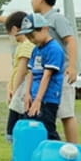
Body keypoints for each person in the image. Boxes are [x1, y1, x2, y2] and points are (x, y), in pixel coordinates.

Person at [29, 0, 80, 144]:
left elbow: (71, 40)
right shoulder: (38, 20)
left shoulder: (56, 18)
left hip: (61, 74)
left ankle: (74, 149)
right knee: (47, 114)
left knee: (66, 113)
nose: (31, 1)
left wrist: (72, 67)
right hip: (45, 76)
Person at [20, 13, 65, 141]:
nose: (31, 39)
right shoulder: (36, 50)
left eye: (32, 35)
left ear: (45, 29)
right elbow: (30, 73)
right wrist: (27, 94)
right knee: (30, 129)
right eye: (28, 37)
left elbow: (47, 76)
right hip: (34, 97)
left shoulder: (54, 49)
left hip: (47, 99)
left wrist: (38, 100)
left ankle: (58, 156)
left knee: (47, 130)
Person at [4, 11, 35, 143]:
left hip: (21, 92)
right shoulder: (22, 45)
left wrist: (14, 91)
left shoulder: (26, 45)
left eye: (9, 33)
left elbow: (22, 71)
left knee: (16, 129)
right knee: (16, 129)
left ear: (15, 29)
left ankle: (21, 157)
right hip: (18, 90)